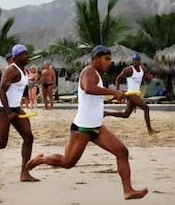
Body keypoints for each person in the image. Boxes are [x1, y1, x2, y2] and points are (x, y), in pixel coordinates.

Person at [26, 45, 148, 200]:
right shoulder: (88, 71)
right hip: (82, 128)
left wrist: (103, 108)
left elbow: (93, 97)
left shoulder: (97, 73)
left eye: (110, 59)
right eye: (107, 59)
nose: (109, 62)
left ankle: (128, 190)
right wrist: (112, 91)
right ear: (96, 58)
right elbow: (88, 88)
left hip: (96, 127)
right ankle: (41, 159)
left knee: (122, 152)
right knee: (67, 162)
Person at [0, 44, 38, 181]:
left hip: (16, 108)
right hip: (3, 110)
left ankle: (25, 172)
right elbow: (1, 91)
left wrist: (14, 110)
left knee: (28, 137)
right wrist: (8, 112)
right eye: (24, 54)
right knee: (1, 144)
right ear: (16, 56)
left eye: (27, 53)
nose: (27, 56)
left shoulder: (23, 70)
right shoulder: (11, 70)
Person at [104, 53, 159, 135]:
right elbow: (118, 79)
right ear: (132, 61)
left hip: (136, 94)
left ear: (140, 61)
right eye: (134, 60)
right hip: (130, 93)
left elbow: (147, 80)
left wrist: (150, 79)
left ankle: (106, 113)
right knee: (146, 108)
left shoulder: (142, 69)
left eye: (137, 60)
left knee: (126, 114)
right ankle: (150, 130)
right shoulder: (129, 70)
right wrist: (117, 91)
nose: (136, 62)